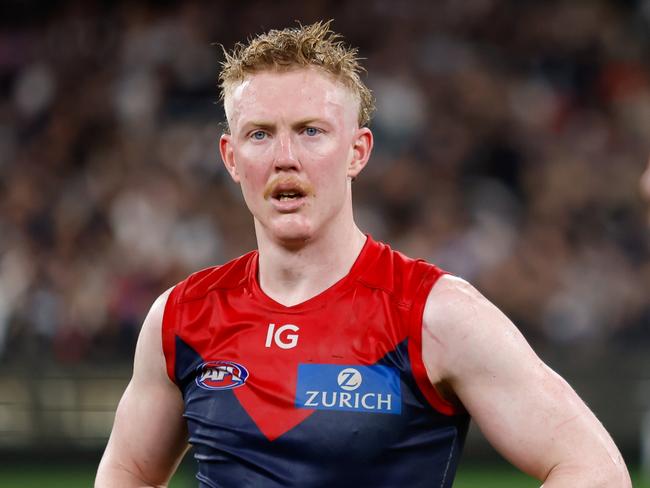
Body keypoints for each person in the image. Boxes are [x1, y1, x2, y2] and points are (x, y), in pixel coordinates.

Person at [95, 21, 631, 487]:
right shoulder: (181, 316)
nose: (285, 158)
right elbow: (128, 473)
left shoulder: (435, 314)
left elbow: (594, 469)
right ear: (231, 158)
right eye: (260, 135)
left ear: (357, 151)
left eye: (311, 132)